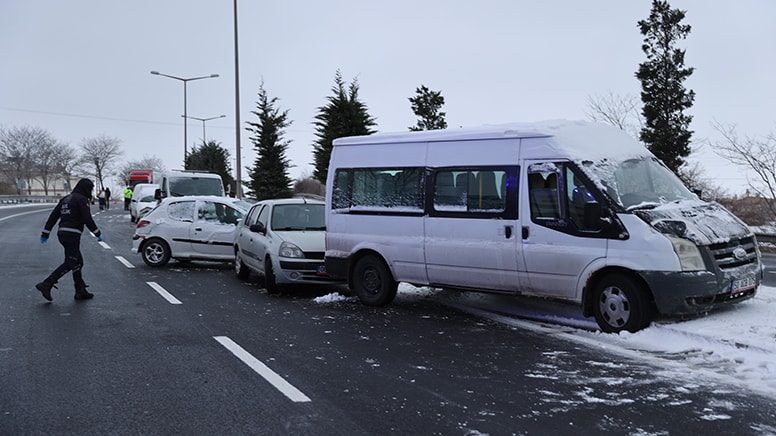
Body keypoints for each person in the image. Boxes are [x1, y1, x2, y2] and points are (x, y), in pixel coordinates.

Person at [35, 178, 103, 302]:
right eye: (90, 188)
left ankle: (80, 290)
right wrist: (97, 232)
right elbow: (87, 218)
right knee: (71, 262)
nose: (91, 191)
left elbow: (54, 215)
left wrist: (46, 232)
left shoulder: (66, 199)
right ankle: (46, 284)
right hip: (72, 234)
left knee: (78, 262)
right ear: (85, 188)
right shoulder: (82, 200)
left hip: (62, 233)